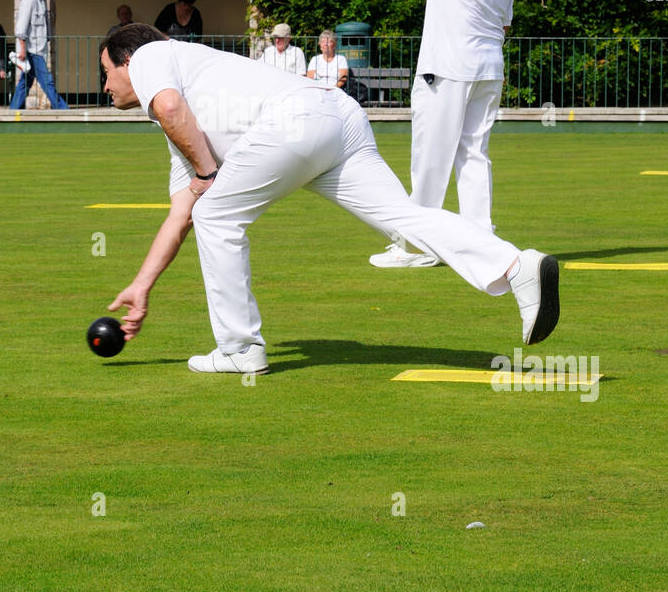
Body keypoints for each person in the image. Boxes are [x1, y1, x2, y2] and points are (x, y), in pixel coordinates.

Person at [101, 26, 559, 374]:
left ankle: (240, 350)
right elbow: (181, 213)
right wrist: (142, 286)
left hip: (296, 120)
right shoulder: (183, 113)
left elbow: (170, 110)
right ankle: (517, 267)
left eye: (106, 73)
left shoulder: (151, 54)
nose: (106, 87)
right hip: (335, 114)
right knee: (402, 220)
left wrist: (208, 174)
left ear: (127, 60)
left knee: (216, 213)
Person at [369, 0, 515, 269]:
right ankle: (480, 240)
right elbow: (503, 25)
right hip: (487, 68)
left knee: (431, 157)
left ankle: (416, 245)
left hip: (448, 67)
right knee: (473, 155)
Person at [9, 0, 69, 110]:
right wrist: (22, 49)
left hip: (38, 49)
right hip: (31, 49)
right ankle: (62, 108)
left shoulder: (41, 0)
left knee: (25, 82)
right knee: (47, 81)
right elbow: (21, 27)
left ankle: (14, 109)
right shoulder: (30, 0)